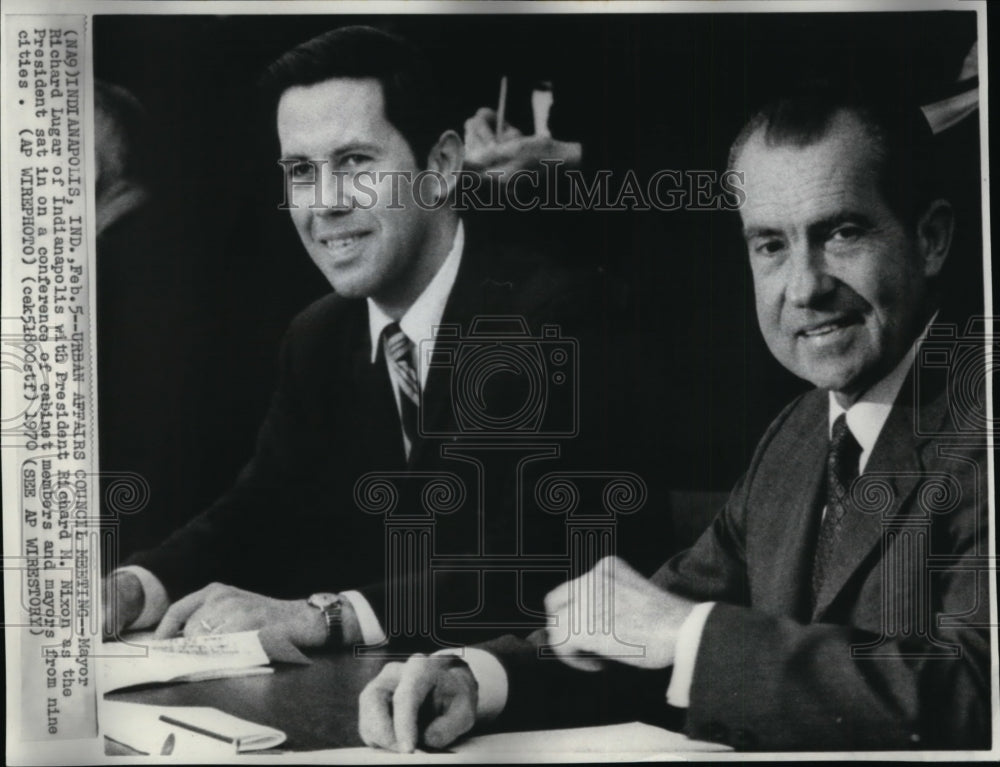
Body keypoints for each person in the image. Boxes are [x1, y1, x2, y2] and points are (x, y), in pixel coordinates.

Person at [358, 87, 991, 751]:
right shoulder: (800, 433)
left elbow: (979, 694)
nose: (804, 287)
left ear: (931, 239)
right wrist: (474, 676)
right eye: (771, 244)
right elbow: (642, 630)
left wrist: (688, 633)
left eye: (842, 232)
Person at [101, 25, 621, 653]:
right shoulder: (318, 335)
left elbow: (531, 565)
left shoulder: (546, 315)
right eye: (300, 170)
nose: (324, 203)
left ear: (442, 166)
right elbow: (259, 508)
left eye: (354, 162)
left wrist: (325, 616)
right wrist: (136, 583)